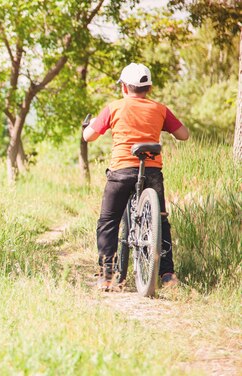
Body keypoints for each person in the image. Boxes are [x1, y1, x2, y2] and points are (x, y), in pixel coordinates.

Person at [83, 63, 190, 291]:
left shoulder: (114, 108)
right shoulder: (159, 109)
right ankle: (167, 275)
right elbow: (184, 135)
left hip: (121, 171)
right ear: (148, 88)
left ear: (124, 87)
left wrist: (90, 125)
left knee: (108, 221)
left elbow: (88, 136)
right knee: (160, 220)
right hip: (151, 171)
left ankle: (108, 276)